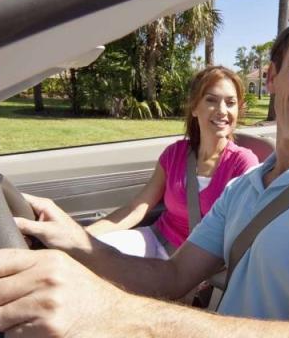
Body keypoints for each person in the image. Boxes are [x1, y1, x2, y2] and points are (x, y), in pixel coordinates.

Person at [0, 3, 289, 338]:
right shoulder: (246, 187)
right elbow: (171, 277)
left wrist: (115, 311)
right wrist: (78, 241)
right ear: (272, 78)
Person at [77, 66, 259, 258]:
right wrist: (83, 237)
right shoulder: (175, 154)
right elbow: (136, 208)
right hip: (157, 240)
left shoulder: (243, 163)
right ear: (195, 107)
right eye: (211, 100)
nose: (222, 111)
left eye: (230, 103)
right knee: (87, 256)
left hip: (195, 265)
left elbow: (238, 237)